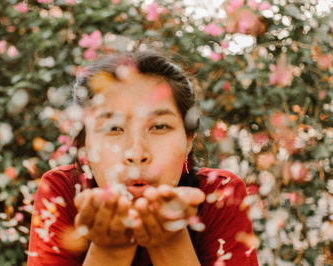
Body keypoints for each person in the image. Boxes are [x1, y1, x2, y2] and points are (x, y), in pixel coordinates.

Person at [27, 51, 259, 266]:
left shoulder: (219, 195)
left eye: (159, 126)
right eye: (113, 128)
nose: (136, 153)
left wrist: (170, 242)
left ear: (189, 138)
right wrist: (110, 250)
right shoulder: (64, 192)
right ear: (84, 145)